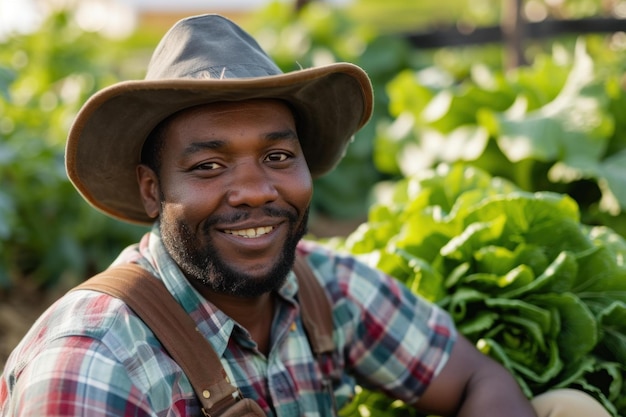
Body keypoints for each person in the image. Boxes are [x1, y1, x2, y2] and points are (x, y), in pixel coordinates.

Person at [0, 13, 611, 417]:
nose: (254, 191)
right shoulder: (93, 361)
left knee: (568, 408)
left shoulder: (326, 289)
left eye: (276, 156)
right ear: (153, 190)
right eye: (210, 166)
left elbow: (478, 379)